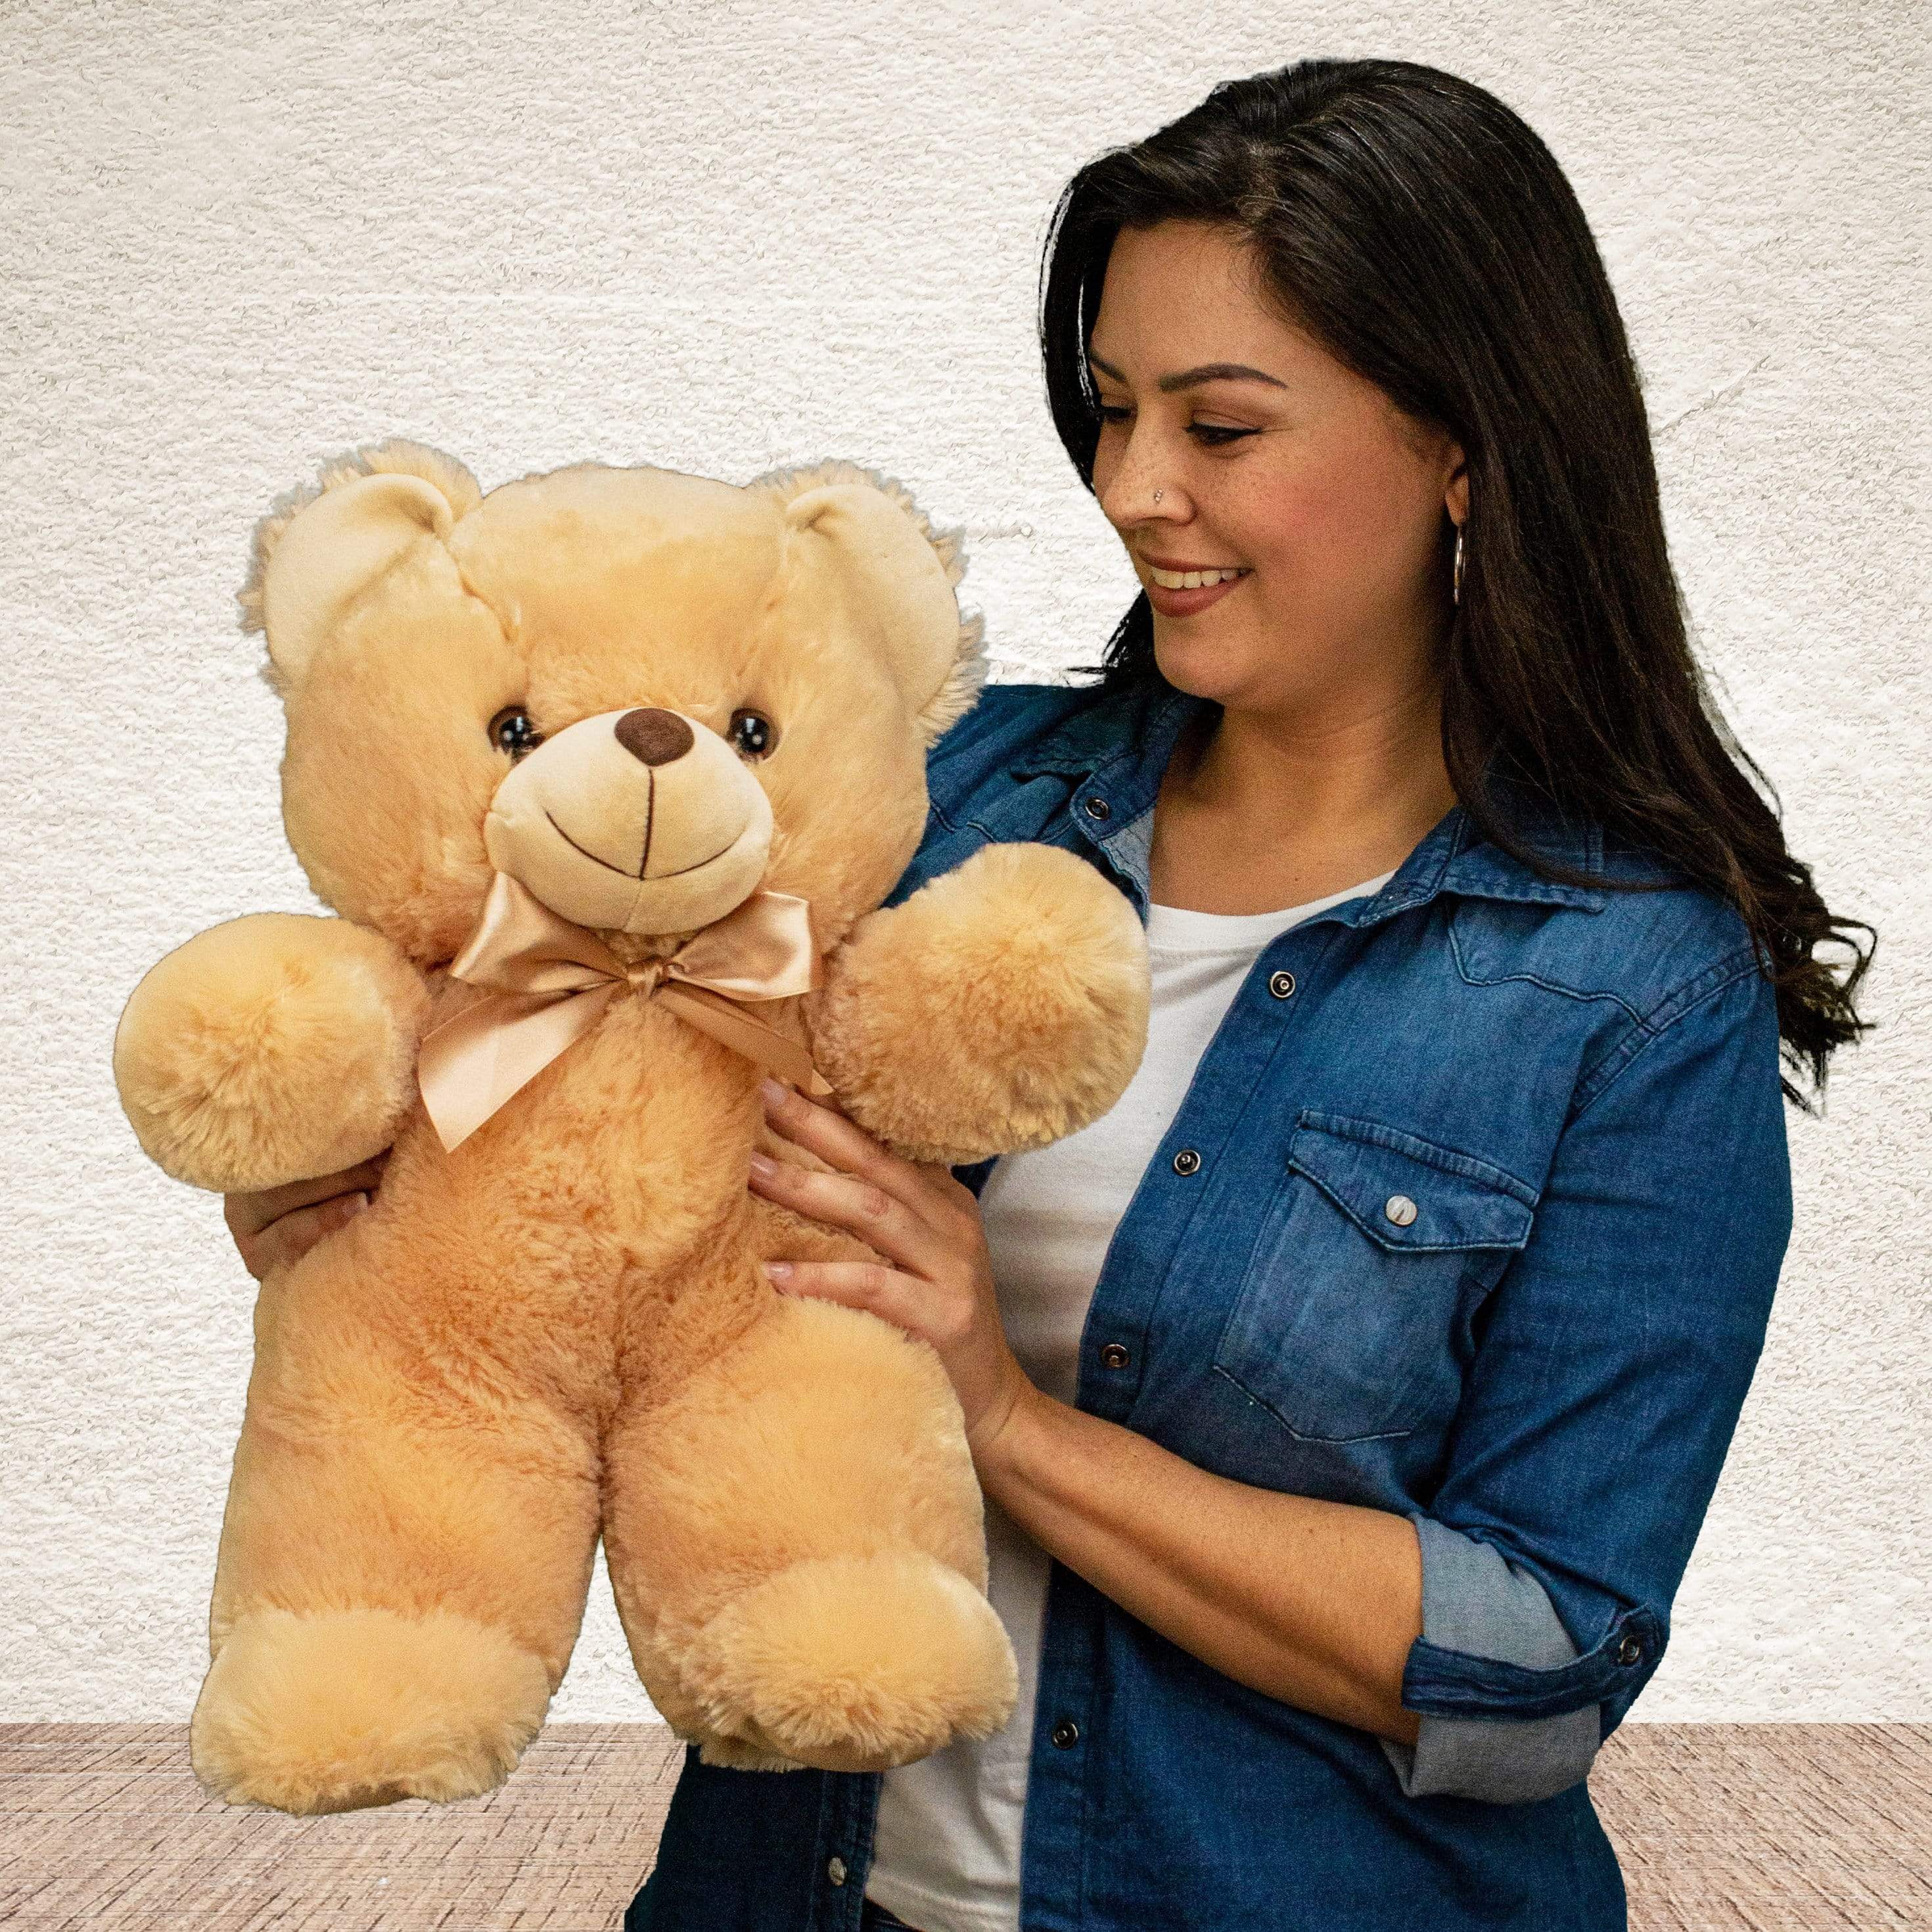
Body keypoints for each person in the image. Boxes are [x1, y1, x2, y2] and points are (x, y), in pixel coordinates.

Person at [225, 56, 1871, 1932]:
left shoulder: (1627, 979)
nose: (1128, 489)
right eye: (1108, 410)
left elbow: (1540, 1663)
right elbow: (573, 1108)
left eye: (1218, 425)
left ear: (1461, 444)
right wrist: (363, 1188)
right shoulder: (933, 803)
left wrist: (1002, 1419)